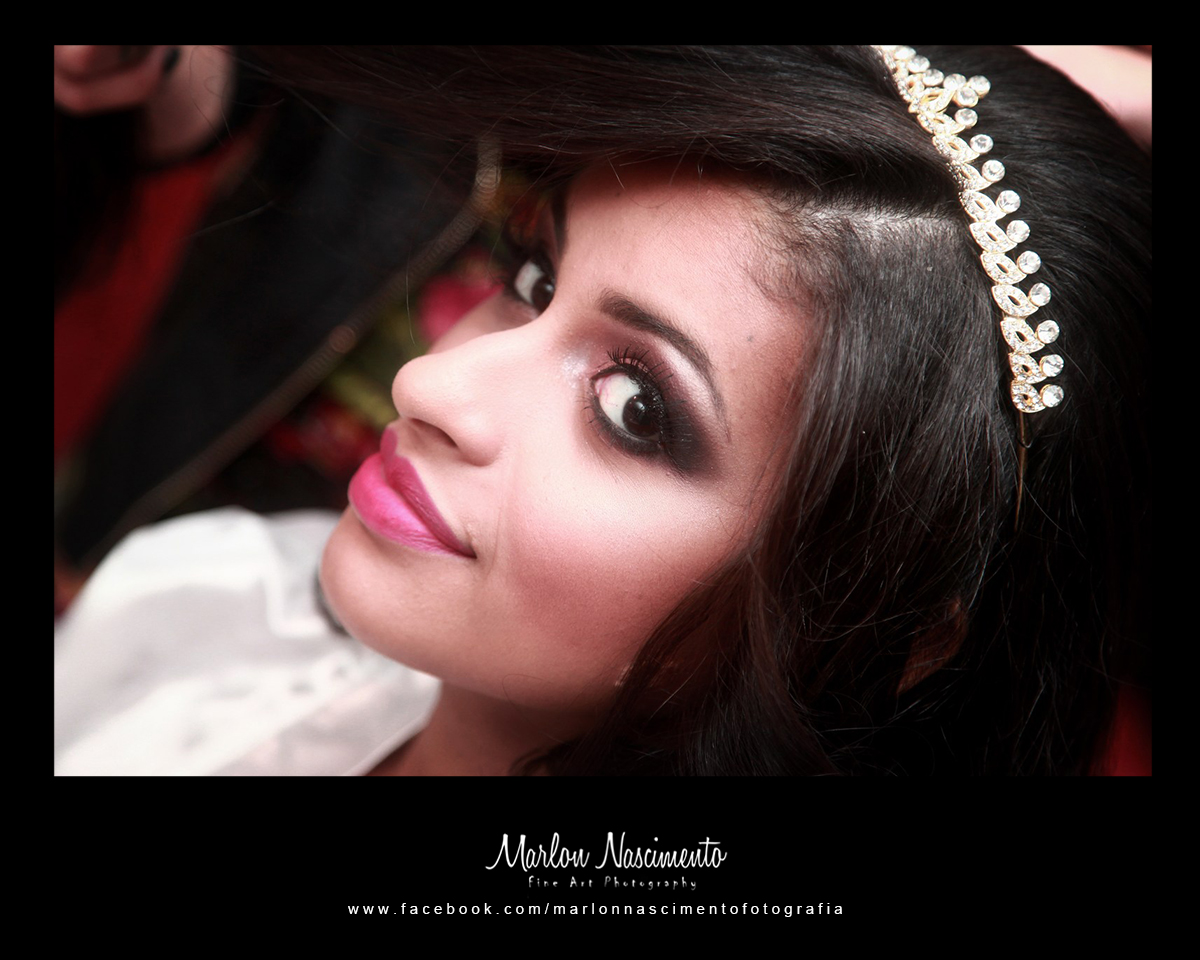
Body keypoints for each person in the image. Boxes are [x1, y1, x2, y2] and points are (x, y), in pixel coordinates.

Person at [54, 46, 1151, 776]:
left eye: (635, 410)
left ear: (880, 625)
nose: (429, 385)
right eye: (532, 280)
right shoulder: (212, 606)